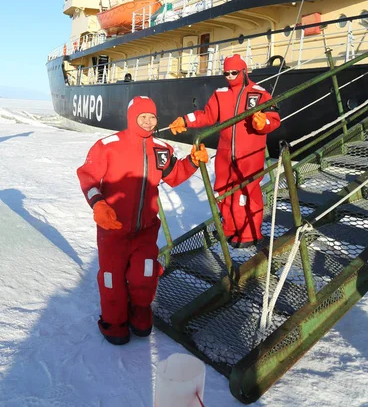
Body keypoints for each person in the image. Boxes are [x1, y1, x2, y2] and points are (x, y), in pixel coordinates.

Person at [77, 96, 208, 345]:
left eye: (152, 117)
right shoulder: (108, 145)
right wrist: (99, 204)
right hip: (112, 230)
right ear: (132, 117)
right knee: (111, 278)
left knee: (144, 276)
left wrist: (191, 161)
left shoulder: (161, 148)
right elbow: (88, 177)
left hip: (145, 230)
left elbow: (174, 175)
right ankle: (113, 322)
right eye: (142, 117)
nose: (148, 122)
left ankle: (140, 313)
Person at [169, 54, 280, 248]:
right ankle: (229, 227)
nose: (229, 76)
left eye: (234, 72)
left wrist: (264, 123)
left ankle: (249, 234)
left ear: (244, 71)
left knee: (246, 193)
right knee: (222, 190)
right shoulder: (220, 94)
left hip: (250, 155)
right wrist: (186, 120)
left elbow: (274, 118)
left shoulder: (259, 93)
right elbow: (207, 116)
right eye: (226, 73)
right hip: (225, 154)